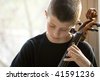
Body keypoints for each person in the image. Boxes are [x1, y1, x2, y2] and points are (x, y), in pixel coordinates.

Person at [10, 0, 97, 67]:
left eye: (64, 29)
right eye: (52, 25)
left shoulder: (84, 50)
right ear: (46, 14)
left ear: (75, 24)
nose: (56, 33)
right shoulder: (31, 48)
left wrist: (87, 66)